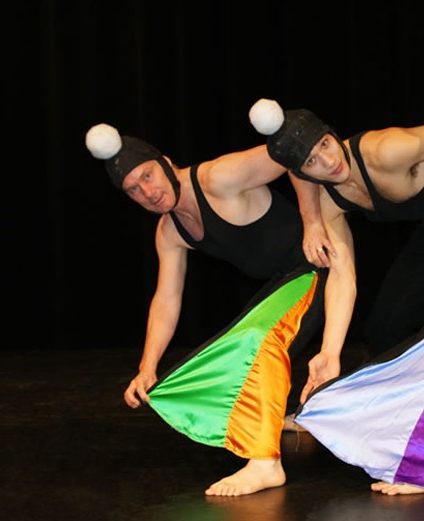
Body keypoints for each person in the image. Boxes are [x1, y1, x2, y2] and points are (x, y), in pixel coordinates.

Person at [249, 99, 424, 495]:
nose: (327, 162)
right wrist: (330, 351)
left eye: (325, 145)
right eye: (311, 163)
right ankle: (406, 431)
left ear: (332, 133)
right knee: (384, 326)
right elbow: (344, 276)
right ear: (302, 174)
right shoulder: (330, 200)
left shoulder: (385, 149)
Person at [84, 122, 330, 497]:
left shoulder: (218, 177)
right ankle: (289, 414)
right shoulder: (170, 232)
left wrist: (314, 224)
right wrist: (147, 367)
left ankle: (266, 463)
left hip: (318, 264)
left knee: (255, 341)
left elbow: (291, 151)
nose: (148, 192)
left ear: (165, 162)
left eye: (148, 176)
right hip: (282, 281)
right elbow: (166, 300)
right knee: (233, 345)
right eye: (134, 190)